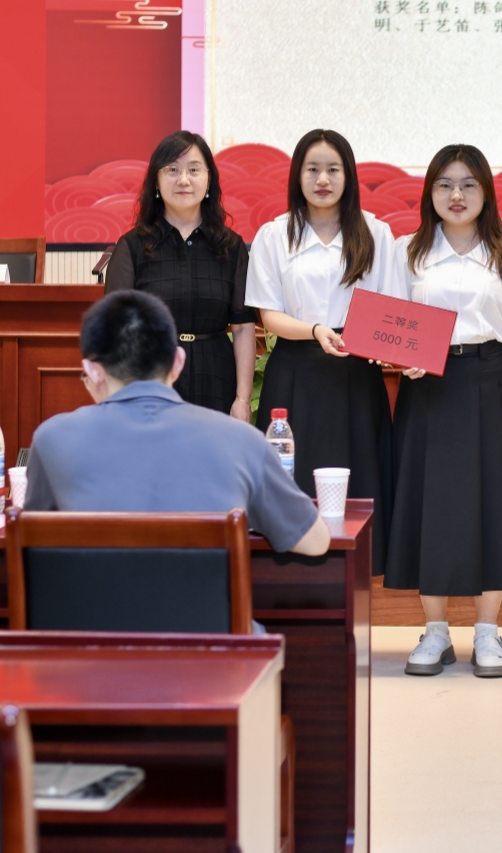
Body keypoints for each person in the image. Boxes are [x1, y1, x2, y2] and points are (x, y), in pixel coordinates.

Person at [385, 144, 502, 678]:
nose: (456, 195)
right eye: (444, 184)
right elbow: (390, 326)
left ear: (486, 191)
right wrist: (399, 359)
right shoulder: (406, 251)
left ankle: (486, 631)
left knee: (491, 505)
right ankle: (434, 631)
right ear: (429, 191)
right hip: (427, 388)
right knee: (428, 503)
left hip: (488, 380)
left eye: (468, 185)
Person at [24, 290, 330, 557]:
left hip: (89, 609)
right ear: (178, 362)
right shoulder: (242, 441)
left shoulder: (51, 440)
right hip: (205, 609)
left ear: (92, 371)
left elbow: (31, 544)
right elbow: (315, 542)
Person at [245, 129, 399, 572]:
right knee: (292, 479)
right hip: (295, 371)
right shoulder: (275, 235)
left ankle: (358, 577)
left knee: (359, 480)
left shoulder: (377, 233)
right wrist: (315, 331)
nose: (323, 179)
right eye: (312, 169)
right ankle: (290, 573)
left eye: (333, 169)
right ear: (298, 175)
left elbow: (391, 309)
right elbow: (268, 316)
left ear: (348, 175)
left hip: (356, 372)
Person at [105, 131, 256, 419]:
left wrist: (242, 399)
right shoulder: (132, 247)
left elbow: (242, 328)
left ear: (209, 180)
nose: (183, 179)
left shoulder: (231, 247)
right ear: (156, 181)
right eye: (172, 170)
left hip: (217, 377)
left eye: (194, 170)